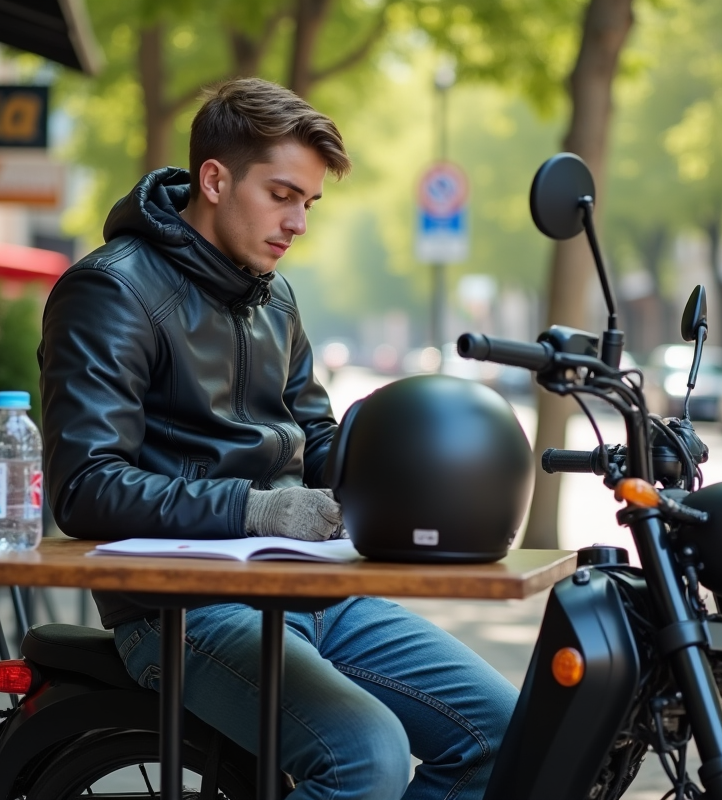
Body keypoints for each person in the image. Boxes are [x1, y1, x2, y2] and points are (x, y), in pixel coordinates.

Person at [38, 77, 518, 800]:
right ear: (214, 179)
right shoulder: (111, 291)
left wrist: (419, 475)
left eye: (309, 203)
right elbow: (85, 487)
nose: (298, 223)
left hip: (311, 588)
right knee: (366, 754)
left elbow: (317, 439)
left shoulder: (274, 297)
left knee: (506, 732)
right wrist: (256, 509)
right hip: (183, 610)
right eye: (282, 195)